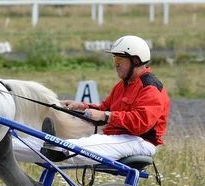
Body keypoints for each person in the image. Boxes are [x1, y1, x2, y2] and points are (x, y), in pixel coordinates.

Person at [13, 35, 171, 165]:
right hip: (117, 139)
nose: (115, 65)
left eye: (119, 60)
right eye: (114, 60)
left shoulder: (150, 87)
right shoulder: (122, 86)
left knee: (64, 147)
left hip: (138, 142)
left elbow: (141, 123)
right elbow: (104, 109)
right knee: (51, 144)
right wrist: (81, 106)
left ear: (136, 60)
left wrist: (105, 116)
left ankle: (56, 148)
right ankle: (10, 146)